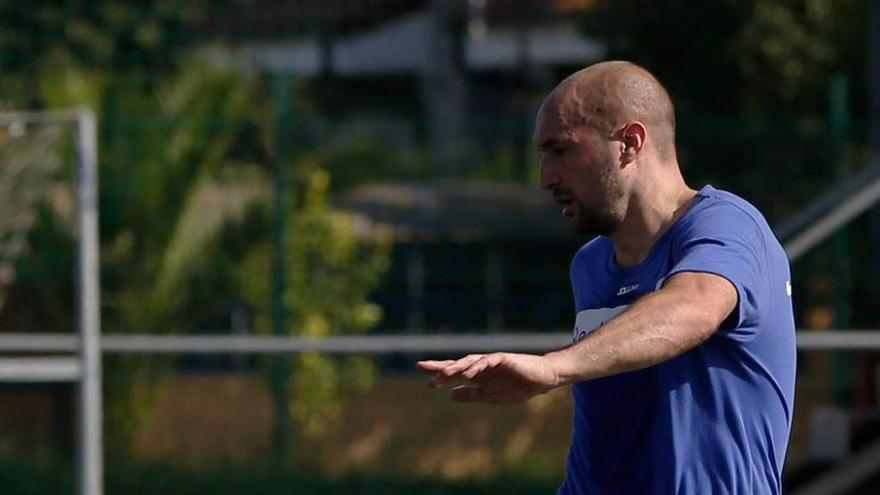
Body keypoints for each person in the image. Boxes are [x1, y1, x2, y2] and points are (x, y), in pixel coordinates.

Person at [417, 61, 796, 494]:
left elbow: (694, 305)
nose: (545, 178)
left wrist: (554, 366)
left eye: (561, 151)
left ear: (629, 143)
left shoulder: (726, 224)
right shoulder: (590, 264)